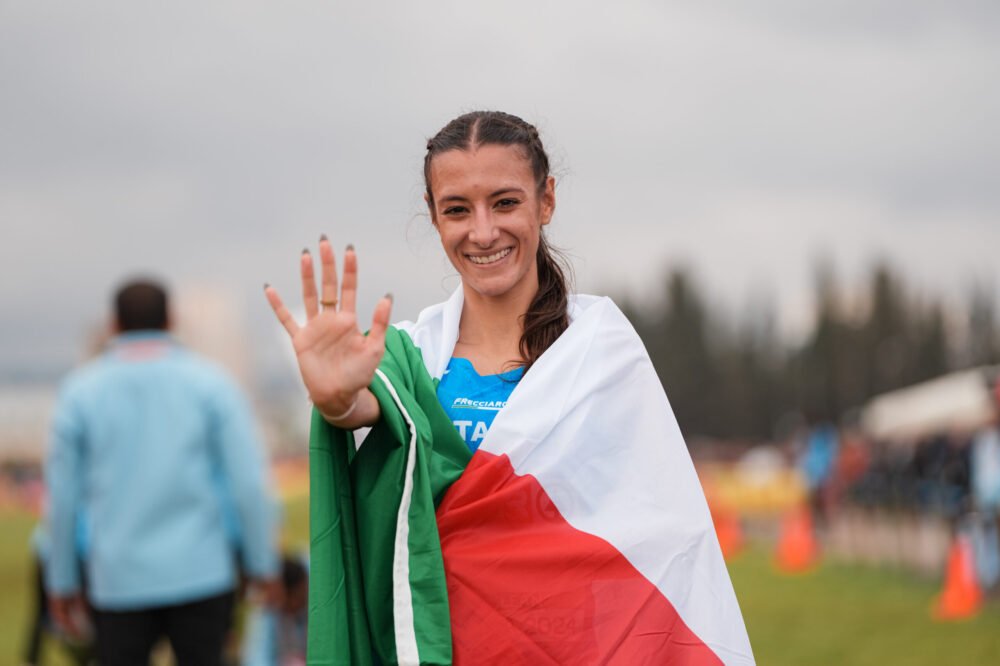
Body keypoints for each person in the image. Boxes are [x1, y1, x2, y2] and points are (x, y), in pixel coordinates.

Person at [266, 111, 754, 664]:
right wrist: (335, 397)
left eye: (504, 203)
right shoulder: (410, 356)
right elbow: (362, 407)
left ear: (546, 200)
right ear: (433, 215)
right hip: (438, 647)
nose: (483, 232)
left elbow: (658, 535)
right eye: (457, 209)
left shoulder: (598, 352)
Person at [46, 279, 280, 666]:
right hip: (202, 572)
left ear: (113, 324)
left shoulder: (79, 393)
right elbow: (248, 484)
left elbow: (63, 498)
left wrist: (62, 579)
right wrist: (261, 563)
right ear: (171, 319)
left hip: (116, 579)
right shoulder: (212, 384)